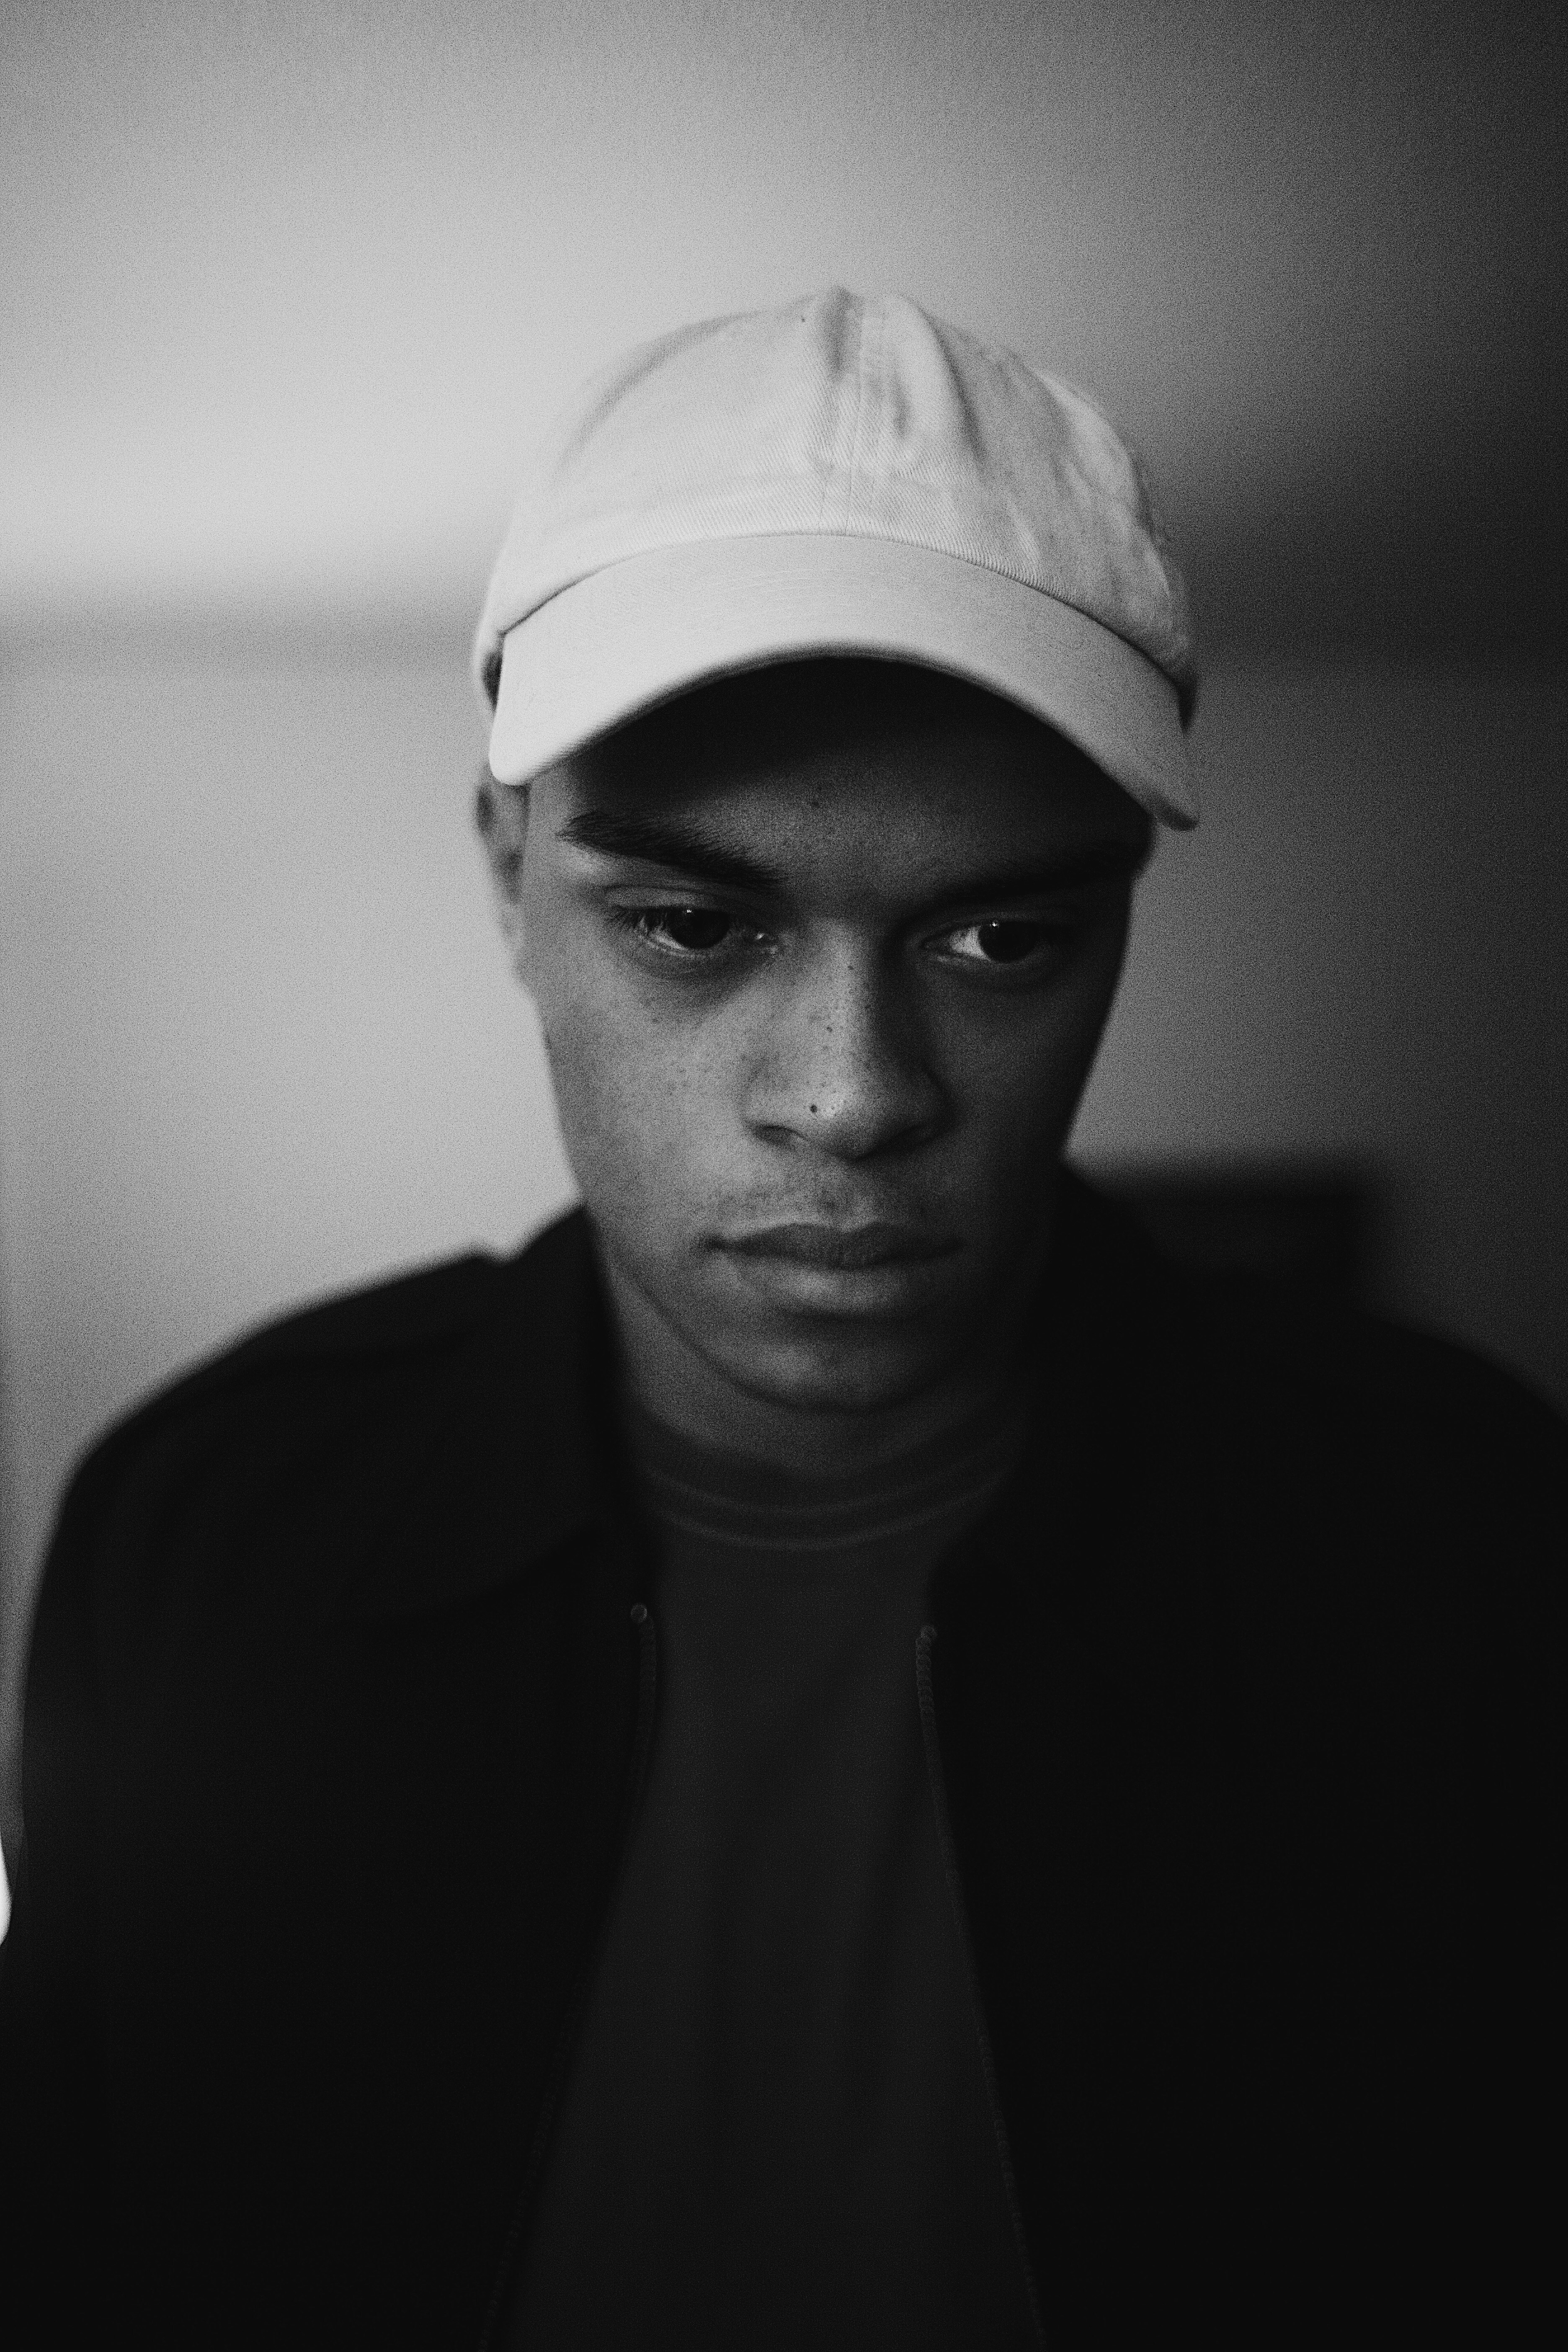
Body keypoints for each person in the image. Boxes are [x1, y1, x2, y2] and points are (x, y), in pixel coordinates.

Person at [0, 289, 1560, 2349]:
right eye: (693, 924)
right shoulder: (205, 1531)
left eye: (1002, 933)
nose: (853, 1092)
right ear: (504, 875)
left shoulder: (1465, 1553)